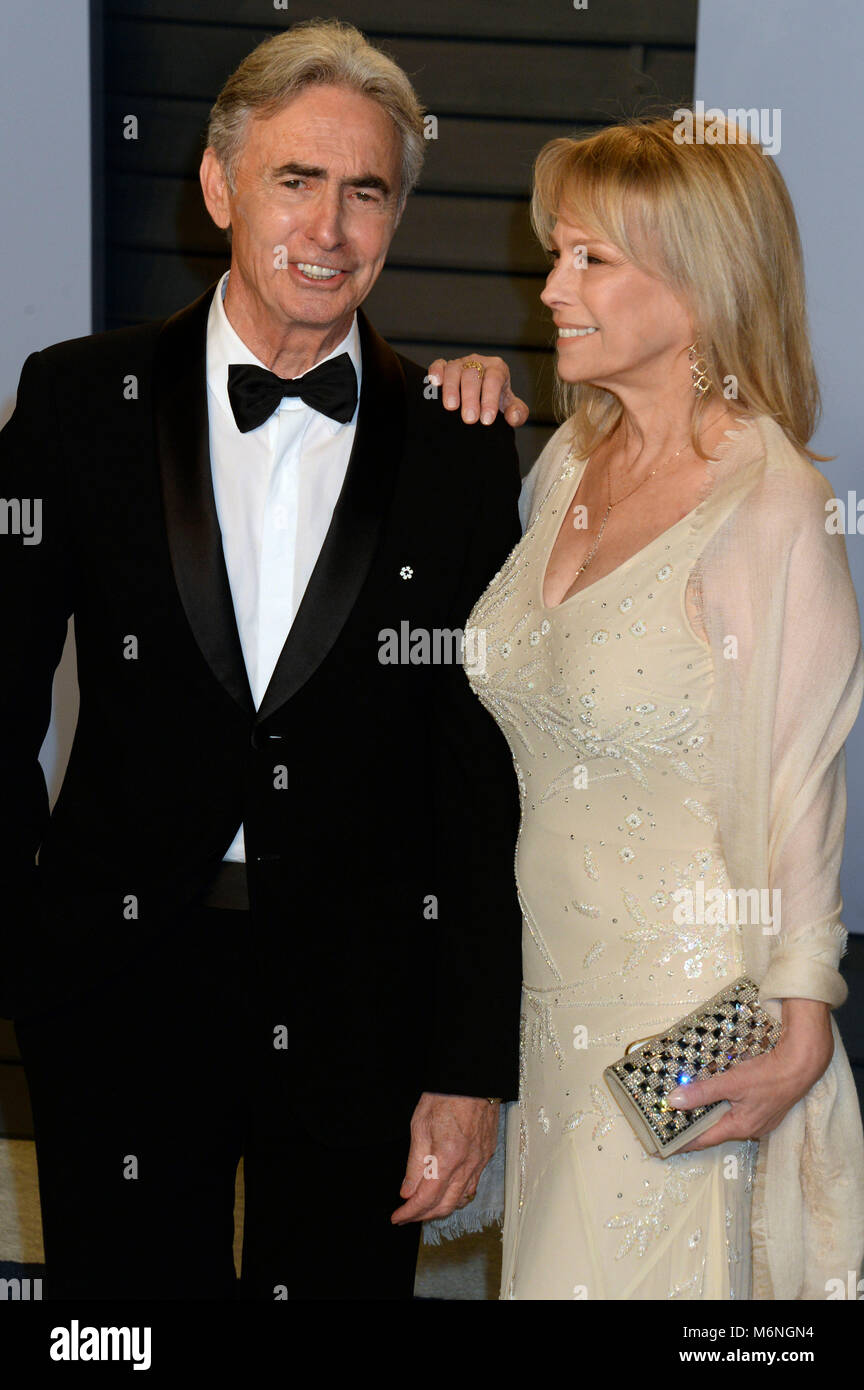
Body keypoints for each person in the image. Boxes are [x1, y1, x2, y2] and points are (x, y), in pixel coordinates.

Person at [0, 20, 525, 1301]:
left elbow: (477, 775)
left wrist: (469, 1064)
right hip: (119, 986)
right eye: (297, 180)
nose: (331, 228)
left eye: (367, 191)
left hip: (365, 1000)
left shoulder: (458, 445)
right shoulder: (78, 401)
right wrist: (25, 940)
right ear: (222, 185)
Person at [429, 115, 864, 1299]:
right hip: (554, 1006)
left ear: (701, 281)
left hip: (686, 1025)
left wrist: (802, 1020)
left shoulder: (769, 507)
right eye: (556, 253)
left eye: (591, 261)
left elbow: (798, 789)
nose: (553, 287)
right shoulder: (571, 458)